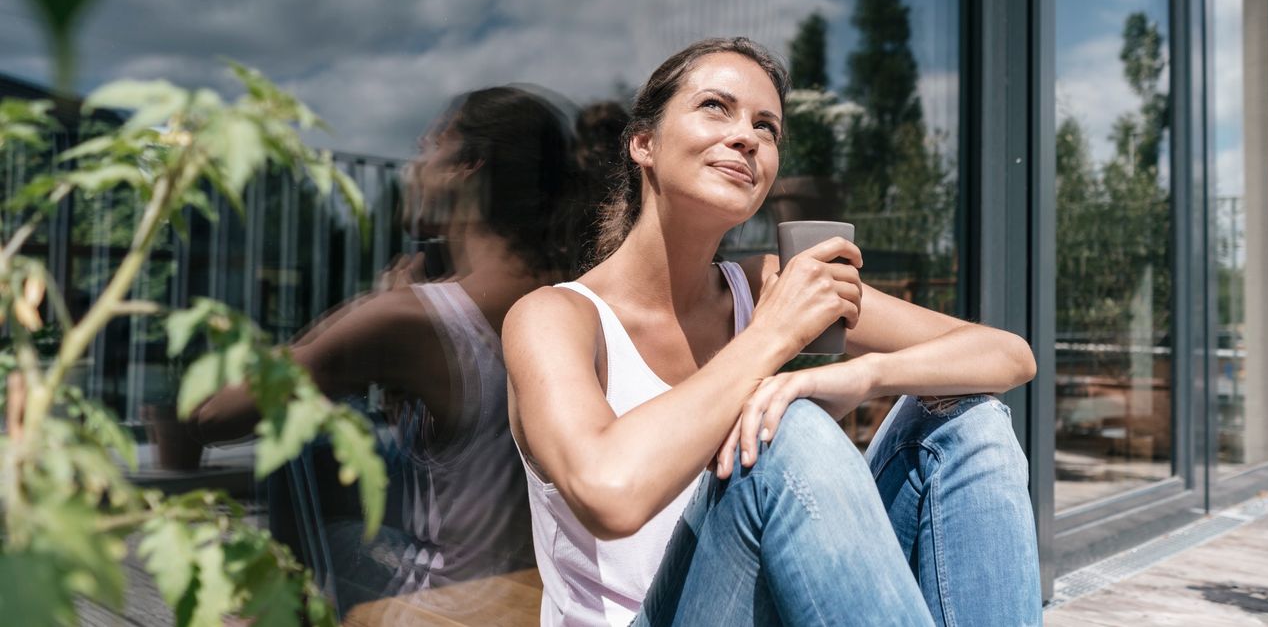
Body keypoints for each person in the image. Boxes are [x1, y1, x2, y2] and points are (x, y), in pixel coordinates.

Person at [505, 38, 1042, 626]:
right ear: (643, 143)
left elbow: (1007, 354)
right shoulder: (555, 317)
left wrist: (861, 375)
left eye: (767, 127)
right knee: (788, 430)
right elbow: (611, 493)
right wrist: (773, 338)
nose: (748, 136)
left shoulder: (765, 283)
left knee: (967, 421)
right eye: (716, 106)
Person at [193, 85, 603, 615]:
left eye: (425, 148)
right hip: (540, 596)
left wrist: (369, 313)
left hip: (446, 605)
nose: (412, 168)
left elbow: (216, 416)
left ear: (466, 166)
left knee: (300, 452)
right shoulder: (571, 291)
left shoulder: (412, 319)